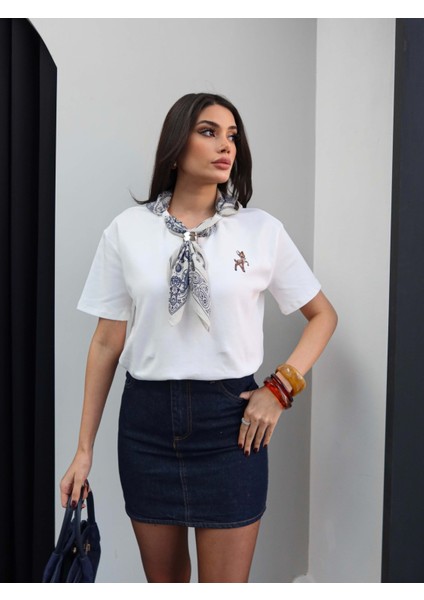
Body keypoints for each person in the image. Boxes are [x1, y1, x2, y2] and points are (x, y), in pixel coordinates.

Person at [60, 92, 337, 583]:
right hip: (145, 425)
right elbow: (106, 343)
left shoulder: (260, 230)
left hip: (231, 427)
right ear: (176, 144)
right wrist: (84, 450)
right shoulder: (127, 230)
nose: (226, 145)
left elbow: (323, 316)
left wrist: (281, 388)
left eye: (232, 136)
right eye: (209, 132)